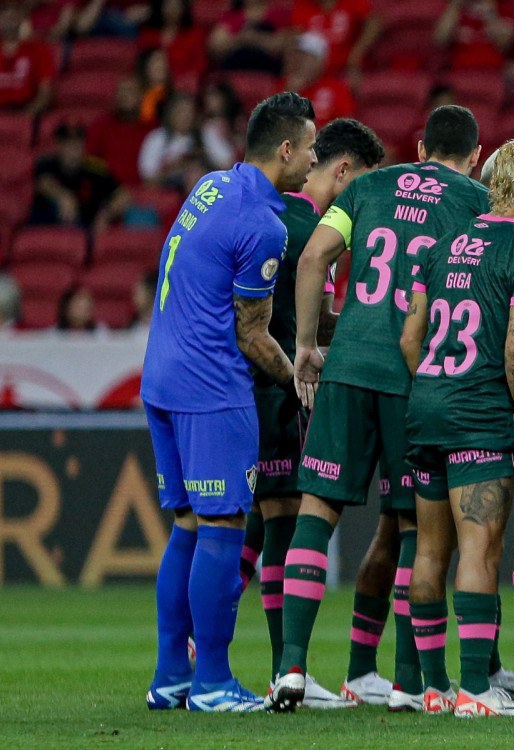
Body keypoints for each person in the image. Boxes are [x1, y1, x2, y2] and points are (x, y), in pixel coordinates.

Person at [263, 106, 489, 714]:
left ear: (419, 147)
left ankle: (289, 670)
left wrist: (307, 344)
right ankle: (408, 685)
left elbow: (313, 259)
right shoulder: (475, 200)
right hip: (416, 376)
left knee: (317, 512)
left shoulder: (364, 186)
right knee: (418, 526)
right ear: (473, 154)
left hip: (348, 368)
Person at [142, 91, 316, 713]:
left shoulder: (213, 186)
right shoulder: (265, 225)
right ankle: (213, 682)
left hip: (160, 377)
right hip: (211, 390)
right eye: (311, 147)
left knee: (187, 526)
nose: (315, 158)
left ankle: (172, 677)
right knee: (222, 529)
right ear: (287, 150)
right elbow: (251, 334)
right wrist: (300, 379)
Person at [399, 138, 514, 718]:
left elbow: (409, 340)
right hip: (479, 416)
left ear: (491, 185)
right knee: (480, 549)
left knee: (428, 552)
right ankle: (474, 689)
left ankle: (433, 686)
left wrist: (437, 384)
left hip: (427, 406)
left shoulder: (439, 249)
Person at [244, 118, 383, 710]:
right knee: (281, 522)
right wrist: (371, 324)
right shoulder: (307, 226)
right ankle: (285, 670)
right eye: (364, 186)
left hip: (248, 386)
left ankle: (202, 645)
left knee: (253, 525)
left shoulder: (277, 214)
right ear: (344, 172)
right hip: (278, 388)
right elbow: (314, 323)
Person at [31, 122, 129, 232]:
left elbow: (123, 195)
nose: (73, 148)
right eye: (68, 143)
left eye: (78, 143)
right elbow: (45, 184)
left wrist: (106, 214)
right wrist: (63, 197)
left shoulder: (95, 169)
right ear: (58, 145)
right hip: (48, 228)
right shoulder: (46, 163)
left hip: (86, 230)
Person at [139, 94, 236, 187]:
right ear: (170, 114)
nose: (185, 117)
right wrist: (176, 166)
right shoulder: (158, 137)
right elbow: (148, 177)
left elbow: (228, 164)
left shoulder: (206, 134)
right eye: (180, 112)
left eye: (189, 112)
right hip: (169, 186)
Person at [0, 1, 55, 115]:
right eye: (3, 13)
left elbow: (45, 91)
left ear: (23, 17)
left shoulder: (39, 50)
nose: (9, 18)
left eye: (14, 13)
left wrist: (25, 117)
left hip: (23, 114)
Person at [87, 77, 155, 187]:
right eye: (121, 92)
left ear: (141, 96)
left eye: (130, 91)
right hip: (107, 191)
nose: (125, 96)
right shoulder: (100, 125)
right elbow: (88, 160)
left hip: (145, 191)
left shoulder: (152, 128)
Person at [277, 33, 355, 127]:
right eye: (295, 55)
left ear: (320, 62)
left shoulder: (337, 89)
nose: (297, 61)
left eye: (305, 57)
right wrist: (291, 92)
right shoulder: (282, 85)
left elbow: (347, 128)